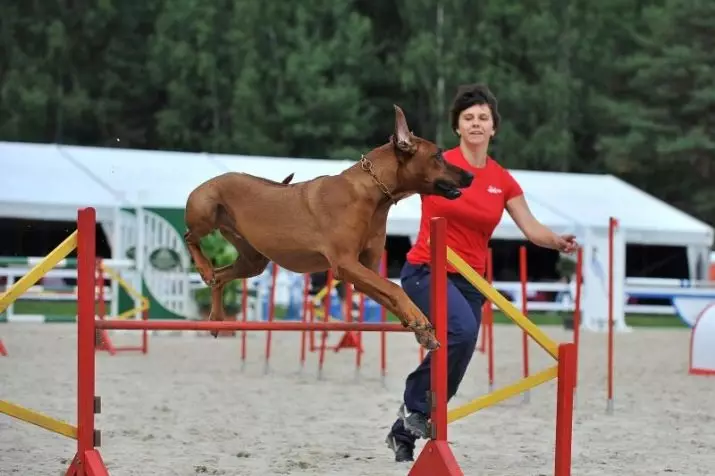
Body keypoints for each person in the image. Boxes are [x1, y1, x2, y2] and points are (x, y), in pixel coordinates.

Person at [385, 83, 579, 462]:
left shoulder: (502, 180)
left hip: (472, 281)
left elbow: (531, 227)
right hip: (425, 270)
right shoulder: (436, 164)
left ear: (494, 128)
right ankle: (415, 407)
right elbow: (391, 188)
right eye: (468, 118)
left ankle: (404, 429)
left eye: (483, 118)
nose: (476, 124)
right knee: (462, 333)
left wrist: (557, 241)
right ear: (457, 127)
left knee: (460, 346)